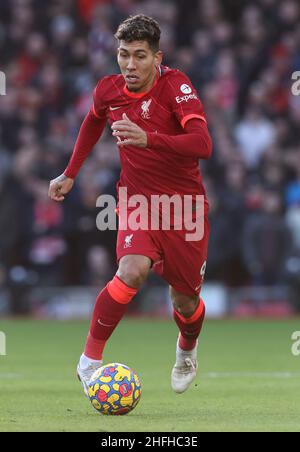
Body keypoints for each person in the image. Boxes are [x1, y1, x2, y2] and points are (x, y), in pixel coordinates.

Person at [48, 15, 212, 395]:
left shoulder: (177, 86)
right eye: (124, 55)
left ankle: (186, 349)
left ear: (158, 58)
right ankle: (89, 361)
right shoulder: (108, 90)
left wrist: (148, 138)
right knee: (132, 269)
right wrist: (70, 172)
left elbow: (203, 144)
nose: (130, 65)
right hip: (137, 201)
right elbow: (92, 121)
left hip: (185, 209)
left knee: (186, 302)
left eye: (140, 56)